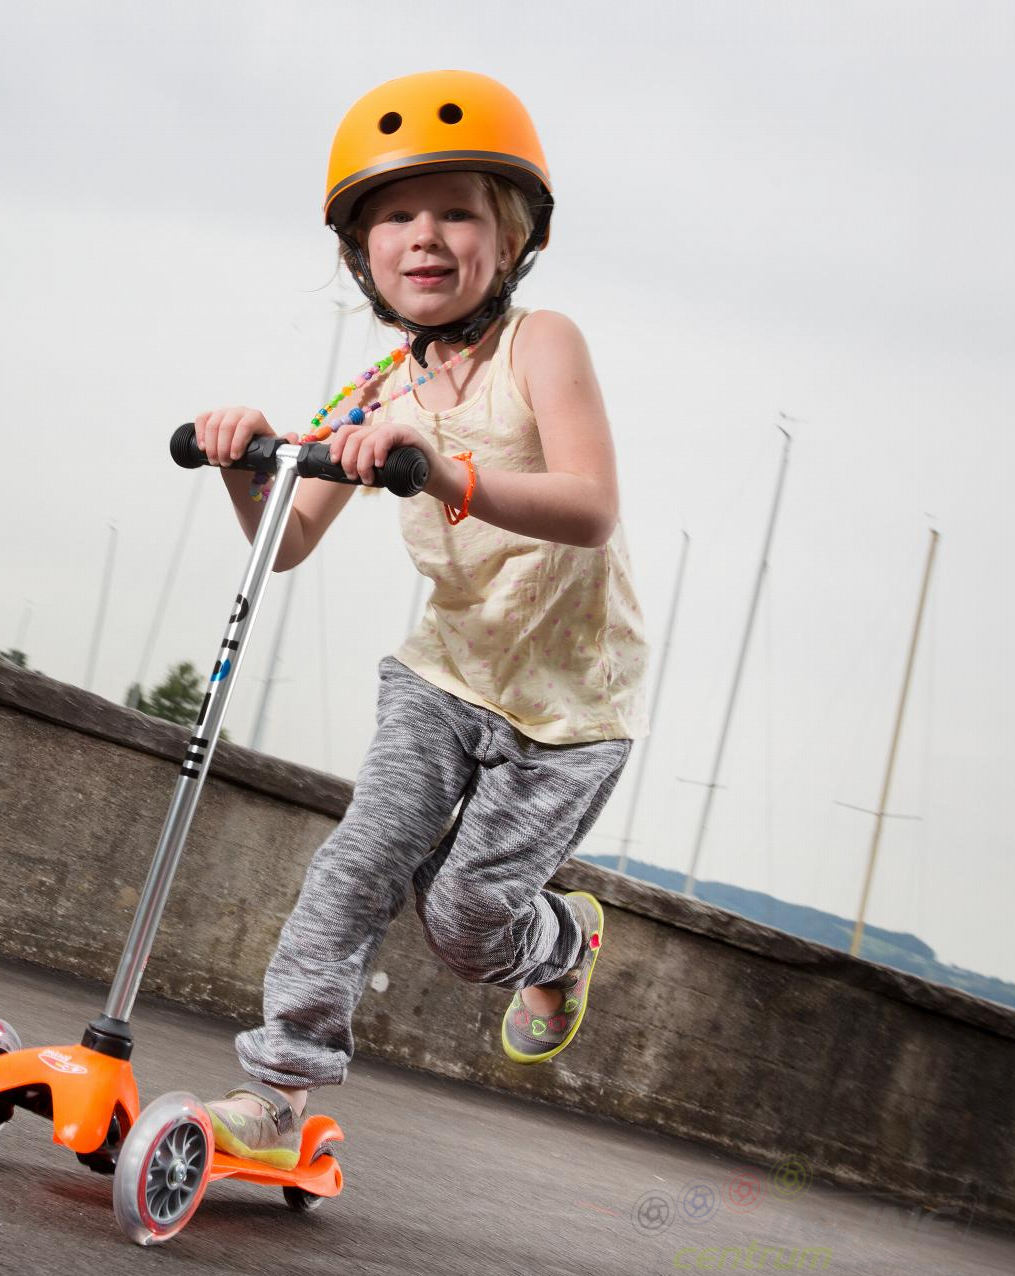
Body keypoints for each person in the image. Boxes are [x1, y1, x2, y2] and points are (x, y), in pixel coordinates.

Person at [190, 70, 651, 1169]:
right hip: (441, 678)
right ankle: (278, 1094)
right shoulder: (373, 394)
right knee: (358, 862)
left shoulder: (542, 344)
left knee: (465, 925)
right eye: (396, 216)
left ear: (516, 235)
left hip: (567, 710)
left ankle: (562, 939)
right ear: (362, 251)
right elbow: (284, 542)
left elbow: (590, 507)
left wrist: (445, 471)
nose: (426, 237)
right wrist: (243, 461)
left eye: (457, 212)